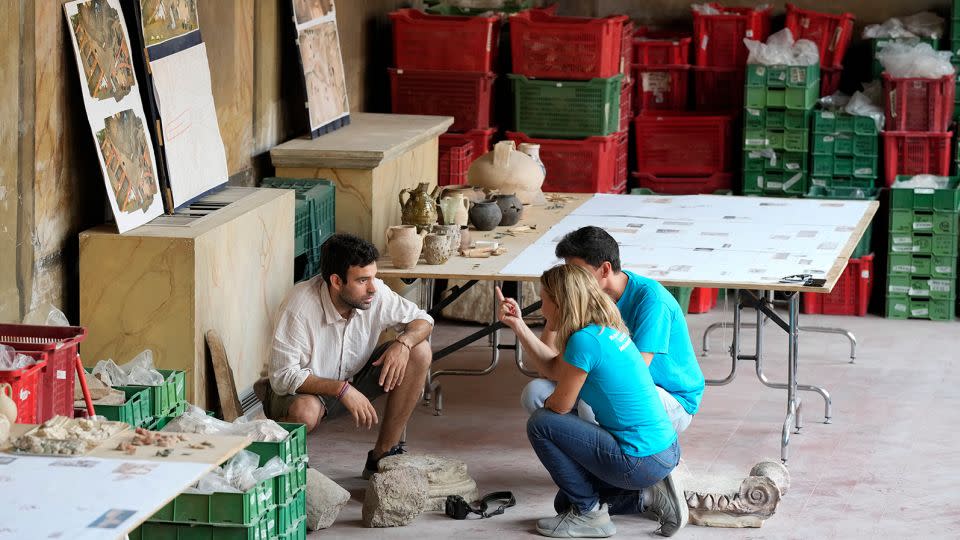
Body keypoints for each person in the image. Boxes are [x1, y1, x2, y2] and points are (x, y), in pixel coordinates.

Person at [501, 264, 687, 538]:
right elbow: (553, 369)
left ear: (562, 302)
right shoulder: (603, 332)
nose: (542, 309)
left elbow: (560, 406)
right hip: (664, 451)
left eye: (545, 300)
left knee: (541, 423)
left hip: (640, 458)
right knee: (564, 502)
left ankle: (590, 514)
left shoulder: (583, 341)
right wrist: (518, 326)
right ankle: (647, 496)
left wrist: (560, 406)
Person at [255, 233, 434, 479]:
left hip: (352, 379)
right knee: (305, 411)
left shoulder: (375, 292)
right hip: (301, 391)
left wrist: (404, 342)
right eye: (362, 280)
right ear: (336, 281)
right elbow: (283, 377)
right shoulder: (299, 306)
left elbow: (424, 320)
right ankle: (289, 467)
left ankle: (382, 456)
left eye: (374, 277)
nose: (373, 287)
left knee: (419, 350)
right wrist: (341, 389)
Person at [509, 226, 704, 435]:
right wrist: (528, 322)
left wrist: (572, 384)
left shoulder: (653, 301)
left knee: (590, 403)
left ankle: (619, 458)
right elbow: (551, 368)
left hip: (671, 399)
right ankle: (590, 448)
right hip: (615, 385)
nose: (572, 280)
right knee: (535, 392)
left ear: (604, 269)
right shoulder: (585, 299)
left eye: (578, 272)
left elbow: (631, 375)